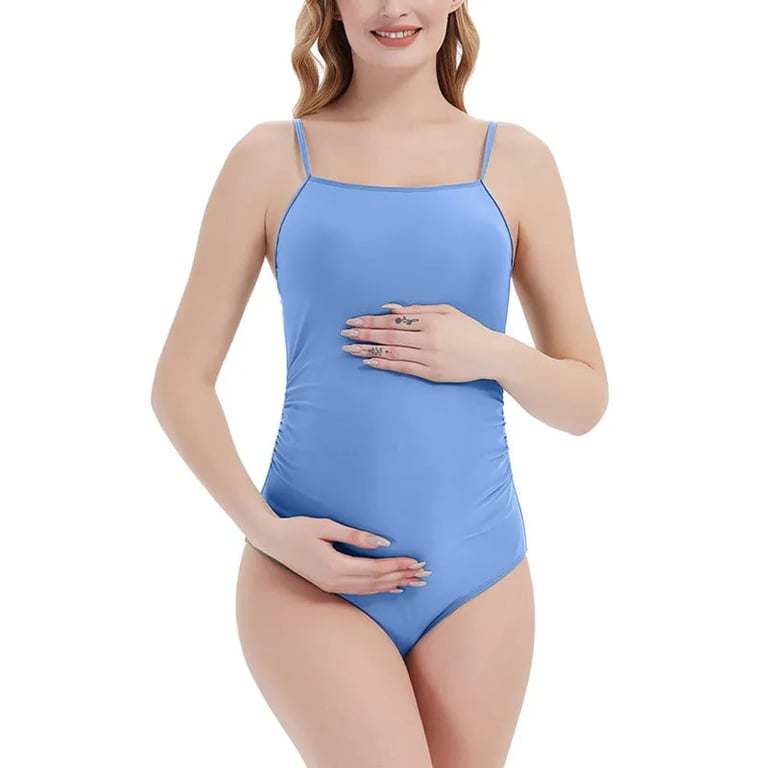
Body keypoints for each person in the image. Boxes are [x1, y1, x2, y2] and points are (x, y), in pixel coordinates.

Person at [151, 1, 609, 765]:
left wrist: (489, 352)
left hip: (480, 577)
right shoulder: (270, 159)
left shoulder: (517, 162)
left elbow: (585, 399)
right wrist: (267, 533)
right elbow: (180, 382)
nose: (395, 7)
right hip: (310, 574)